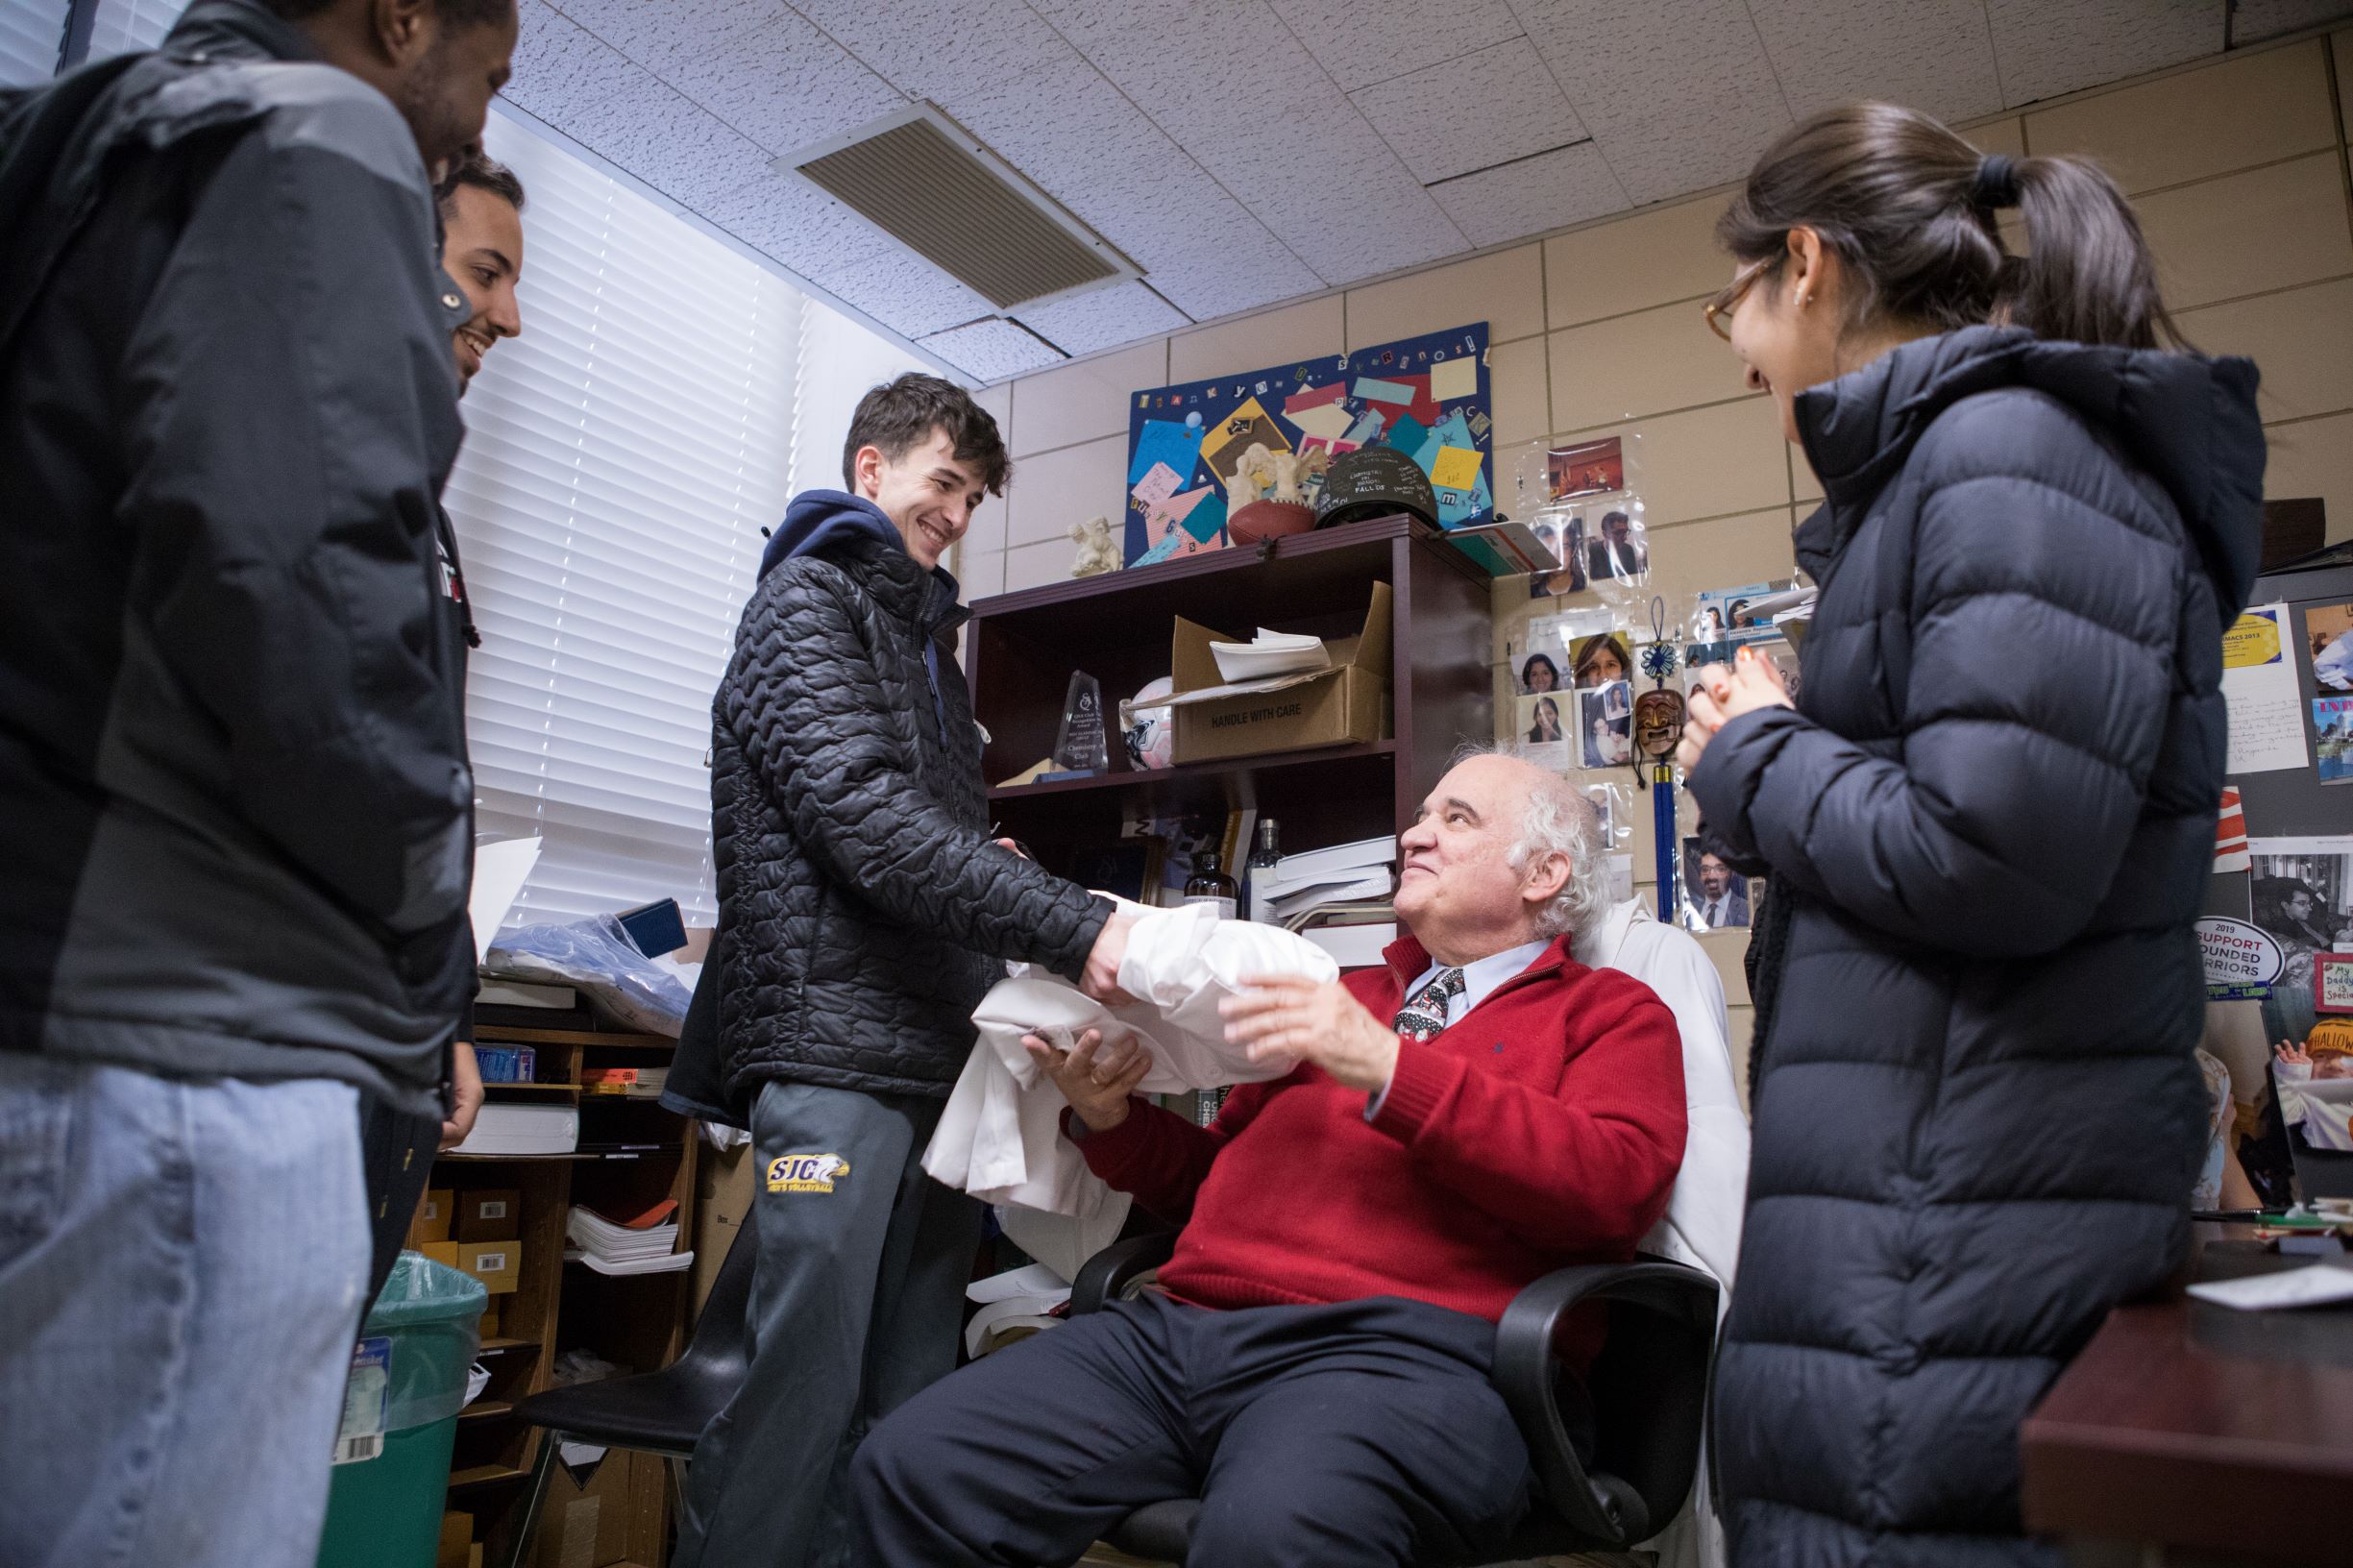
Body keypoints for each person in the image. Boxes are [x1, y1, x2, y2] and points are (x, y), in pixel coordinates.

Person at [1677, 102, 2264, 1565]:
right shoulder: (1966, 468)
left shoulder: (2006, 452)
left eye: (1728, 304)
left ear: (1802, 263)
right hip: (1928, 1224)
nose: (1737, 346)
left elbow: (1991, 855)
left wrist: (1753, 755)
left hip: (1941, 1255)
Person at [0, 0, 517, 1562]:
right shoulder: (318, 129)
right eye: (479, 88)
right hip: (194, 1067)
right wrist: (435, 947)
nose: (457, 142)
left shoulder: (69, 138)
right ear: (401, 18)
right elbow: (312, 619)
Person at [846, 751, 1687, 1567]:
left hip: (1413, 1361)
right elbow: (1218, 1186)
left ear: (1541, 875)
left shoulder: (1612, 1014)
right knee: (915, 1467)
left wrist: (1392, 1070)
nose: (1413, 835)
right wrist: (1112, 1120)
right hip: (1182, 1333)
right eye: (1422, 813)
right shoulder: (1341, 997)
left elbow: (1611, 1188)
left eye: (1454, 818)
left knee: (1277, 1539)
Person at [673, 374, 1140, 1568]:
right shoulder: (805, 605)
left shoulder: (923, 648)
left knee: (908, 1399)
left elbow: (919, 837)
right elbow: (868, 826)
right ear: (867, 470)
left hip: (933, 1057)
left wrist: (992, 869)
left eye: (974, 496)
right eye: (943, 482)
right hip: (835, 1054)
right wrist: (1068, 920)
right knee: (800, 1389)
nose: (956, 513)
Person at [356, 146, 528, 1296]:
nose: (509, 315)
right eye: (485, 271)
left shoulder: (423, 518)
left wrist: (444, 1013)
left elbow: (420, 784)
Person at [1692, 852, 1750, 929]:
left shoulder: (1747, 910)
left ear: (1732, 873)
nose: (1712, 876)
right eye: (1705, 870)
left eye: (1720, 869)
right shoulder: (1690, 909)